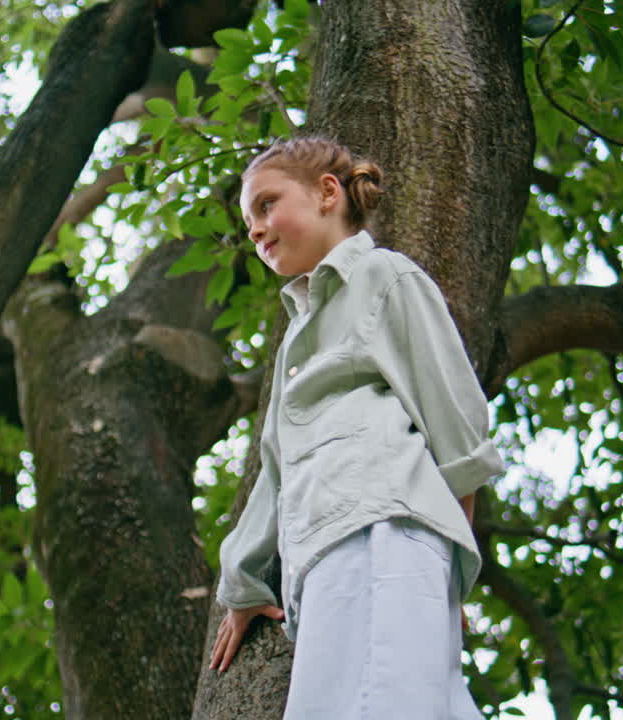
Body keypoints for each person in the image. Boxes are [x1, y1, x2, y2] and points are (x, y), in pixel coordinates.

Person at [209, 136, 504, 719]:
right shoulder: (298, 336)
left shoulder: (382, 276)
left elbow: (456, 424)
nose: (255, 229)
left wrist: (444, 563)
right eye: (247, 221)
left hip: (376, 529)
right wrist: (241, 583)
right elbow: (278, 468)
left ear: (326, 193)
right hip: (325, 553)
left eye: (267, 204)